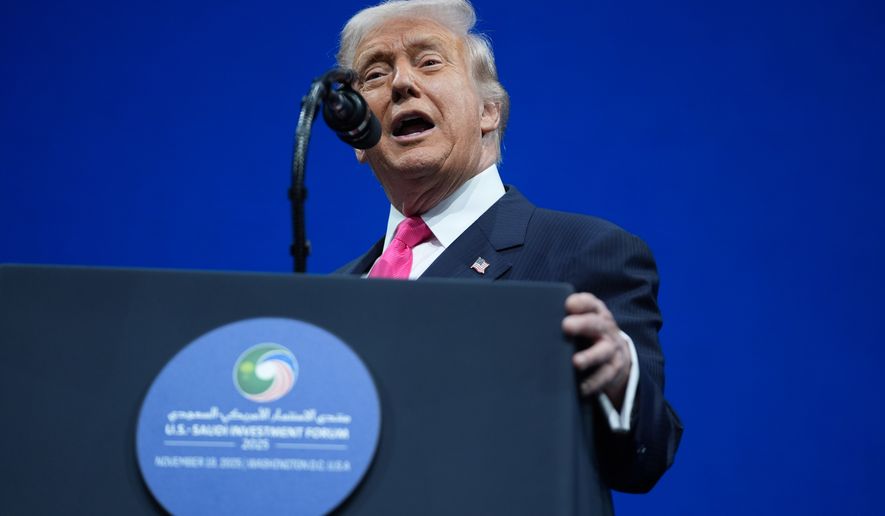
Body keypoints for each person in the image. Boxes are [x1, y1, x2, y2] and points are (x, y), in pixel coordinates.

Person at [335, 0, 682, 508]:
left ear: (488, 111)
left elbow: (645, 458)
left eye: (429, 61)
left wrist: (619, 381)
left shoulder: (584, 251)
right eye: (375, 74)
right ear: (357, 138)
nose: (401, 84)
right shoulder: (333, 294)